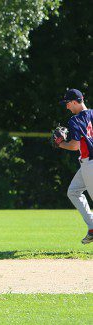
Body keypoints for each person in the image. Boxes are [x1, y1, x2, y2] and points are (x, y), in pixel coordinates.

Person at [57, 89, 93, 244]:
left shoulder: (75, 120)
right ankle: (92, 227)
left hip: (90, 164)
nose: (67, 107)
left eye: (67, 103)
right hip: (87, 164)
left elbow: (74, 145)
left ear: (74, 101)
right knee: (73, 191)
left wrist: (60, 143)